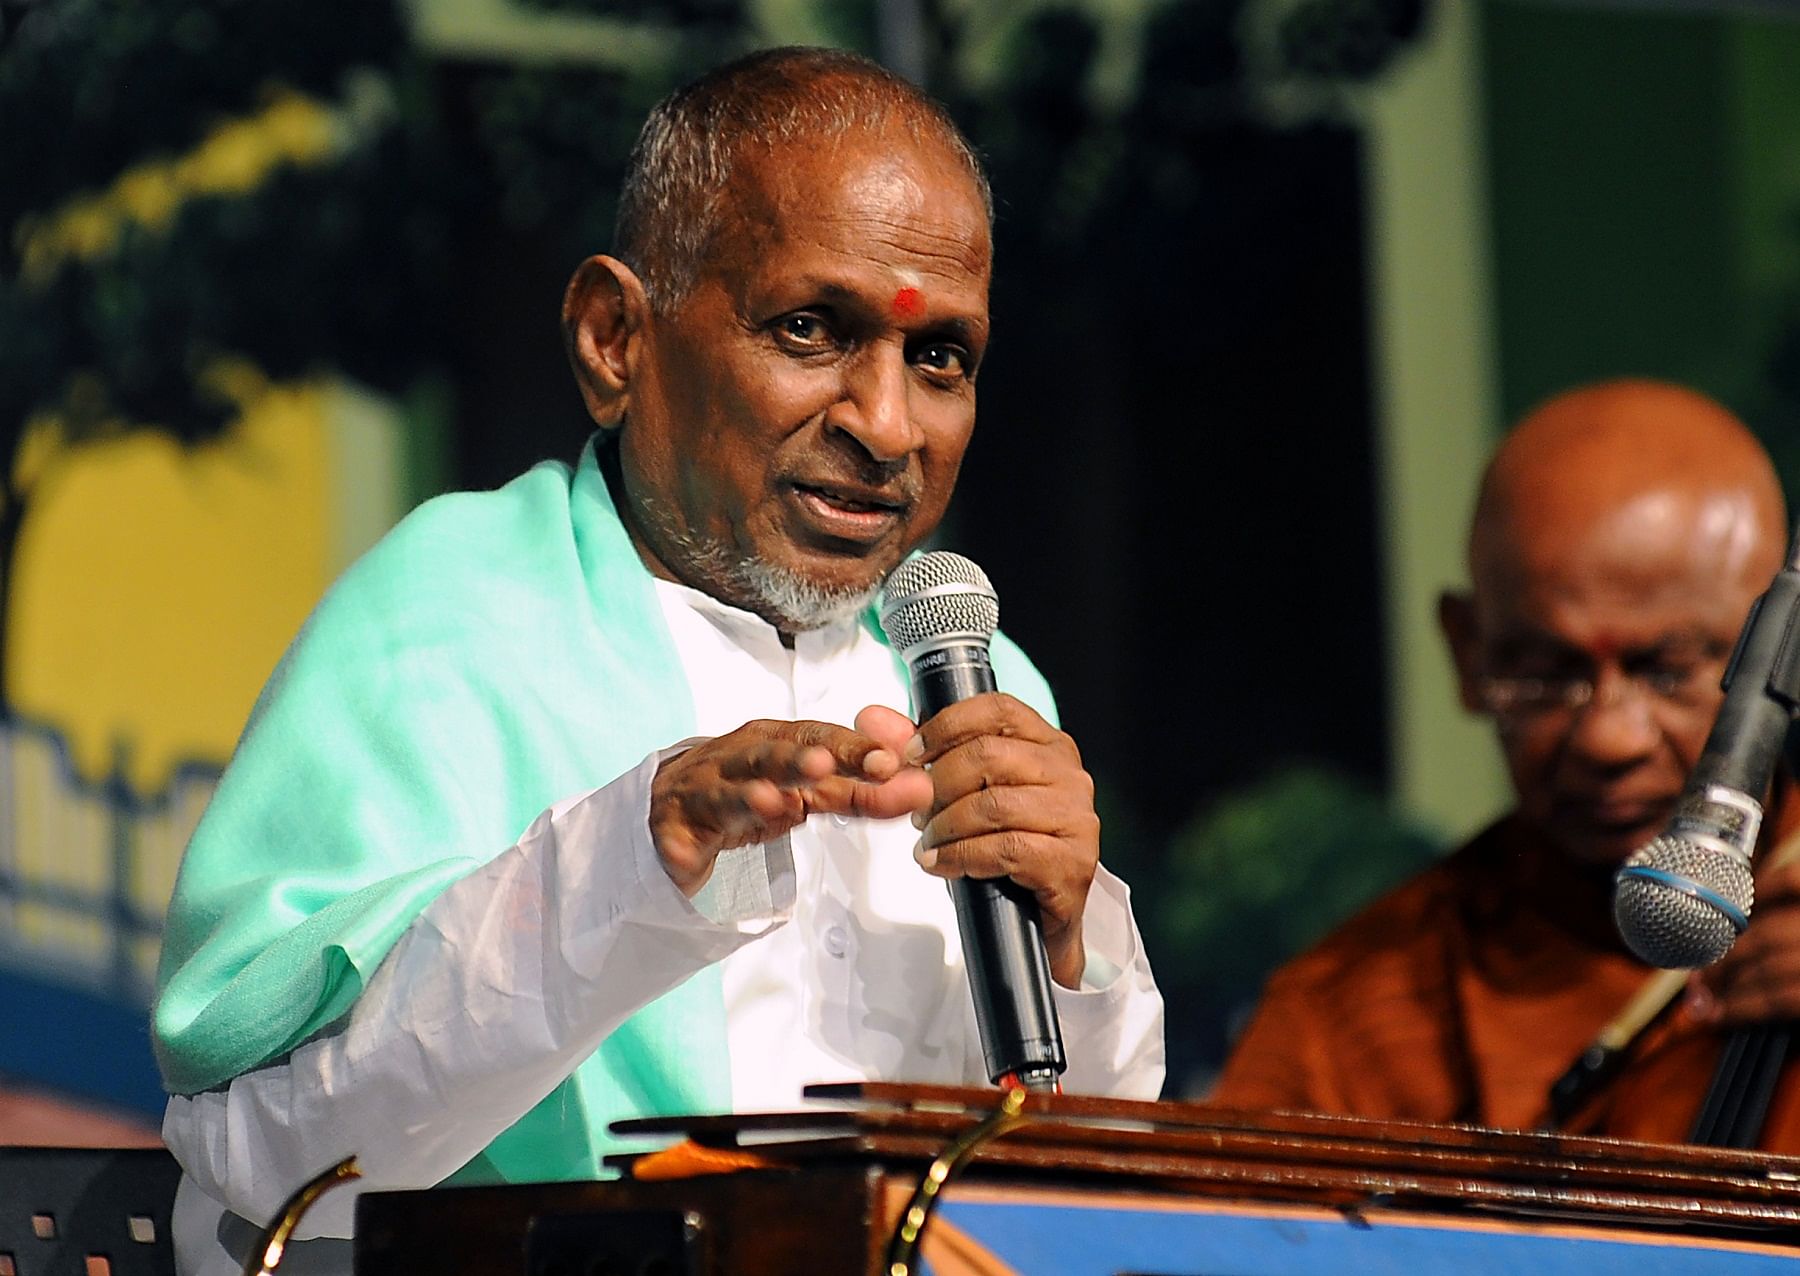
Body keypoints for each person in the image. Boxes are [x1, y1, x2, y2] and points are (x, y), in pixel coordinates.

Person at [150, 47, 1164, 1275]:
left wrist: (1072, 950)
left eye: (939, 358)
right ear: (615, 337)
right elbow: (255, 1178)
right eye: (809, 327)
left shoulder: (975, 679)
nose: (886, 425)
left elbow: (1071, 1208)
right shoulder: (446, 626)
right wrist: (637, 855)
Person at [1211, 378, 1800, 1145]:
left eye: (1668, 670)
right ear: (1466, 651)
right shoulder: (1349, 1018)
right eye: (1546, 674)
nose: (1607, 740)